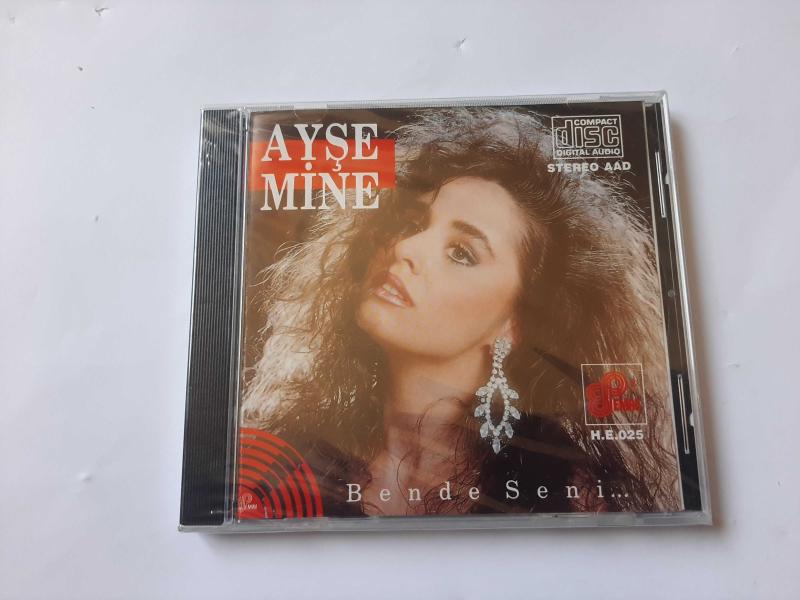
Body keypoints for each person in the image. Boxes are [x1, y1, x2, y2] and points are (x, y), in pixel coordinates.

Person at [242, 107, 681, 516]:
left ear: (515, 322)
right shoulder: (286, 458)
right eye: (413, 223)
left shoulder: (572, 495)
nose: (405, 247)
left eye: (462, 253)